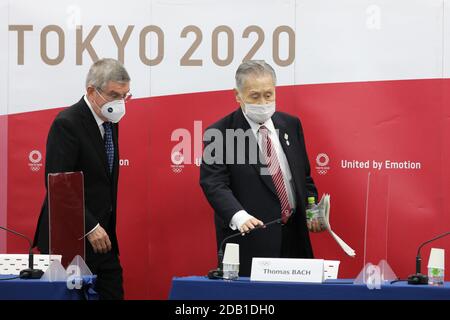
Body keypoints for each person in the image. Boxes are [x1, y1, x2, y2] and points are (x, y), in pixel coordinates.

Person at [200, 60, 325, 276]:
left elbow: (302, 177)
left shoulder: (291, 124)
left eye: (269, 94)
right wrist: (240, 217)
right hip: (252, 240)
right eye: (254, 96)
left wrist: (313, 211)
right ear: (237, 95)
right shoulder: (221, 133)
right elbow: (214, 183)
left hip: (295, 238)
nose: (263, 102)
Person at [33, 58, 131, 299]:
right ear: (91, 91)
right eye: (114, 94)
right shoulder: (67, 123)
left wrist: (99, 227)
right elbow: (59, 187)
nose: (119, 103)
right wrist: (90, 226)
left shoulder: (110, 123)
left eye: (125, 96)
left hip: (103, 240)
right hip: (69, 239)